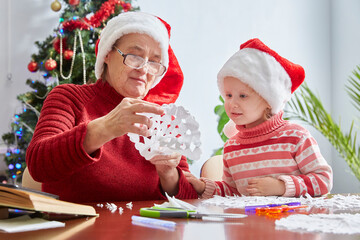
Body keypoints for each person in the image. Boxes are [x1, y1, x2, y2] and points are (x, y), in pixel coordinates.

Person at [26, 12, 198, 203]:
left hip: (148, 231)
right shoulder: (69, 98)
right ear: (107, 54)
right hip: (81, 229)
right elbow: (38, 165)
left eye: (154, 62)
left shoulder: (162, 117)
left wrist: (169, 175)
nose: (144, 69)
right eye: (134, 56)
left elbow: (190, 197)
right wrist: (106, 127)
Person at [185, 38, 333, 198]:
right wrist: (202, 186)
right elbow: (232, 192)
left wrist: (281, 187)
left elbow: (323, 180)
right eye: (228, 95)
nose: (231, 103)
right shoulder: (232, 147)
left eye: (243, 96)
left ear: (269, 101)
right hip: (250, 223)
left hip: (294, 221)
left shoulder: (296, 137)